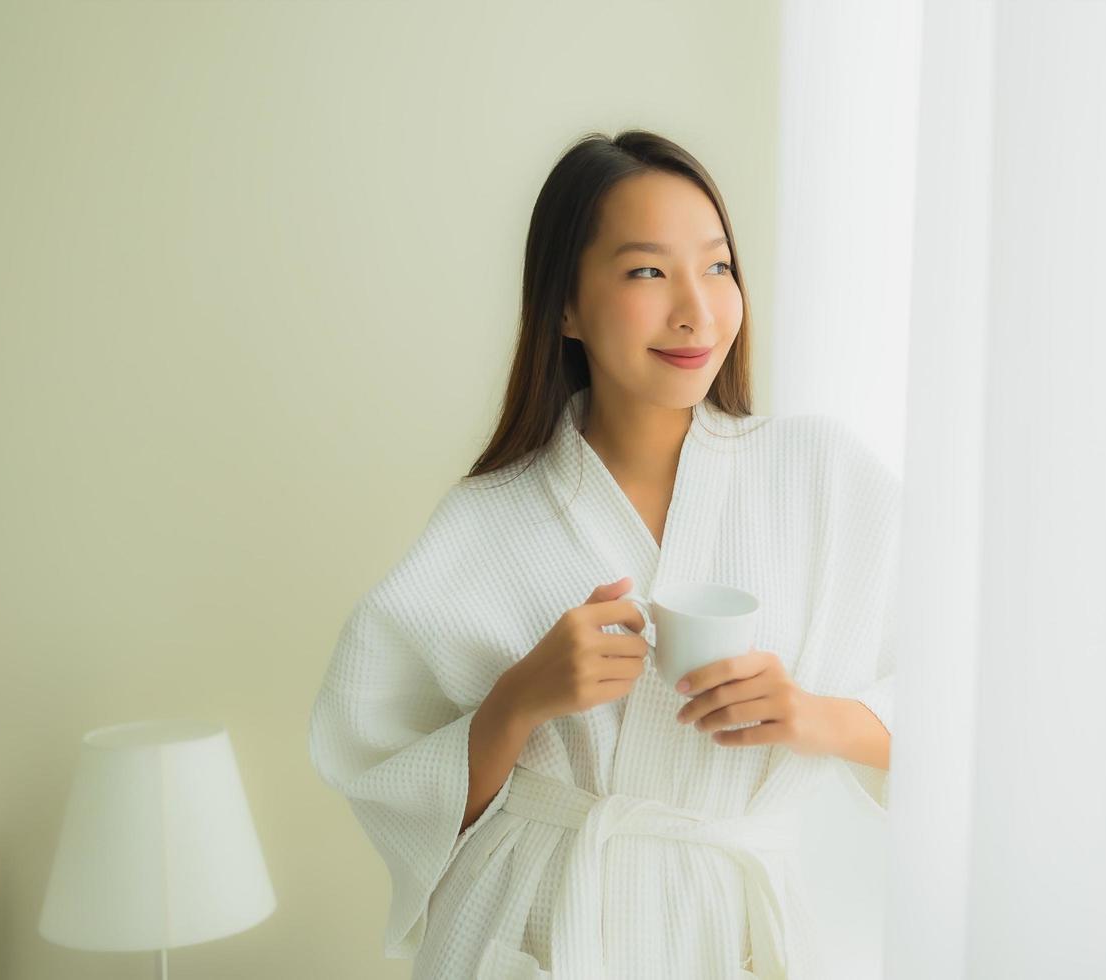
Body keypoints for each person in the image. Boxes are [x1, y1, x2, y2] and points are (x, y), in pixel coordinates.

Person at [308, 129, 900, 979]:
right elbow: (390, 783)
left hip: (733, 927)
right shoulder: (489, 521)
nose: (696, 309)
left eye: (719, 267)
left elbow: (968, 711)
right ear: (565, 305)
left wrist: (814, 716)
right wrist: (517, 700)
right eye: (647, 272)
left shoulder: (822, 479)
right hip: (538, 921)